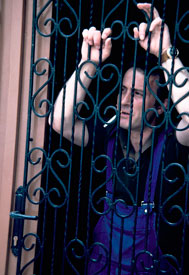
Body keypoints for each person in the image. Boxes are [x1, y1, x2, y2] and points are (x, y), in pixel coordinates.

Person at [51, 3, 189, 274]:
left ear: (159, 106)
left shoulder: (171, 145)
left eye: (136, 94)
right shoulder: (107, 135)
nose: (124, 101)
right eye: (123, 91)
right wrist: (88, 63)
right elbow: (60, 123)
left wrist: (165, 54)